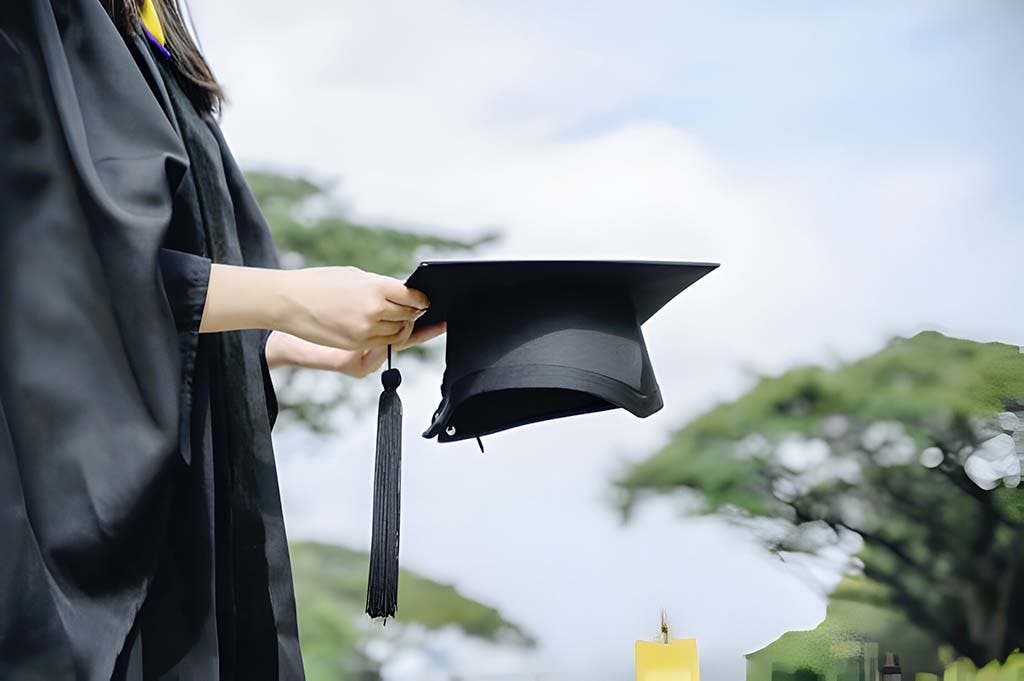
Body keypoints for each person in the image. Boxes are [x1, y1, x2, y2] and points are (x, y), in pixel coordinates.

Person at [0, 0, 444, 678]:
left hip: (199, 523)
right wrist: (291, 298)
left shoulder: (151, 34)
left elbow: (162, 301)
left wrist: (285, 340)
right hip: (73, 553)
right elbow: (50, 267)